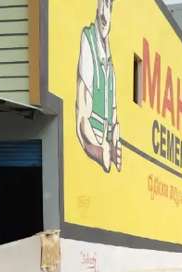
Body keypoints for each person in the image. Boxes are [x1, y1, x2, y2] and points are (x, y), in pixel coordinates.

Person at [76, 0, 122, 173]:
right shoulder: (88, 40)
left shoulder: (111, 66)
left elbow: (114, 116)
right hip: (94, 148)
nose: (104, 13)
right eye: (102, 3)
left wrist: (115, 142)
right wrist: (100, 152)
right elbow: (82, 120)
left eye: (109, 5)